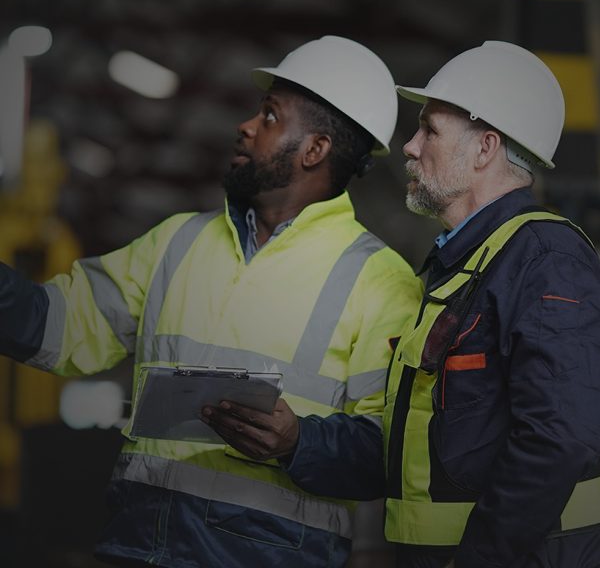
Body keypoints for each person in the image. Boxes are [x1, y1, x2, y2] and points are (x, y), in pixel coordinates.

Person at [0, 35, 422, 568]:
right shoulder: (176, 242)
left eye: (269, 116)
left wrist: (297, 442)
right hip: (137, 547)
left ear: (315, 150)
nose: (245, 125)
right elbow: (55, 326)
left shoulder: (380, 281)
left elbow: (392, 451)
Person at [206, 41, 600, 568]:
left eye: (430, 130)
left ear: (485, 148)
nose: (410, 147)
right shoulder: (459, 270)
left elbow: (558, 438)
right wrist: (298, 442)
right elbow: (409, 445)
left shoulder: (544, 257)